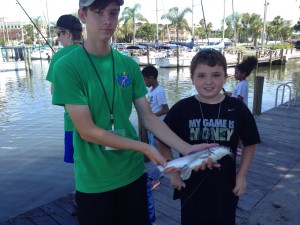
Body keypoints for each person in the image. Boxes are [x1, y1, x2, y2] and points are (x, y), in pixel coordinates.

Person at [51, 1, 218, 225]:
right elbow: (87, 131)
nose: (107, 20)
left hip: (133, 175)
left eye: (113, 12)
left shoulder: (128, 65)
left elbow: (148, 117)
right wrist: (145, 147)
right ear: (83, 15)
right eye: (98, 12)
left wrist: (185, 148)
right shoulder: (67, 66)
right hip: (95, 182)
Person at [157, 49, 261, 225]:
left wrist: (241, 175)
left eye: (215, 75)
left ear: (225, 77)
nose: (209, 82)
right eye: (201, 75)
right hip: (189, 185)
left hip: (226, 187)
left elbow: (250, 143)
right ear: (192, 78)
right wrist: (173, 174)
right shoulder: (182, 108)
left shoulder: (238, 109)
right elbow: (162, 140)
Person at [46, 14, 83, 164]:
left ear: (67, 33)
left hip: (73, 123)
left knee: (78, 163)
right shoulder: (92, 52)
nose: (58, 39)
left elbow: (54, 91)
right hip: (99, 121)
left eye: (58, 34)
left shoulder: (59, 57)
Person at [142, 65, 169, 190]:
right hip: (152, 125)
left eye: (145, 79)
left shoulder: (160, 91)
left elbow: (165, 109)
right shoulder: (152, 90)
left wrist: (151, 115)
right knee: (153, 149)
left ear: (151, 78)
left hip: (157, 126)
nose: (144, 82)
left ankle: (155, 177)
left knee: (157, 151)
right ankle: (157, 172)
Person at [225, 56, 258, 155]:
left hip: (239, 111)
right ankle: (237, 147)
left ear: (243, 74)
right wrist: (229, 94)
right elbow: (236, 95)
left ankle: (238, 149)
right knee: (236, 129)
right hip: (237, 110)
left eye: (236, 73)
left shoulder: (243, 84)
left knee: (238, 130)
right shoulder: (240, 83)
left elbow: (239, 99)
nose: (234, 75)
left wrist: (228, 98)